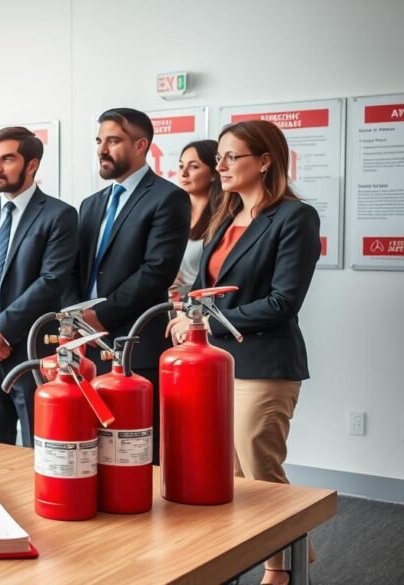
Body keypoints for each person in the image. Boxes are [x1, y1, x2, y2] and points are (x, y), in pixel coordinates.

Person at [168, 120, 320, 585]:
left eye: (233, 157)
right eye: (221, 158)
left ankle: (283, 568)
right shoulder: (225, 215)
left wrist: (205, 321)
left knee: (258, 466)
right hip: (214, 364)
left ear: (266, 161)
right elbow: (204, 286)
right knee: (225, 472)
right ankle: (256, 555)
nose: (222, 166)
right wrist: (184, 306)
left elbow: (282, 301)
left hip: (265, 363)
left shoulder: (294, 216)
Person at [74, 107, 190, 464]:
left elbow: (156, 270)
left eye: (113, 140)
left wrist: (101, 316)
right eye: (99, 141)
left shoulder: (168, 198)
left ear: (141, 145)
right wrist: (78, 319)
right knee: (88, 441)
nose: (101, 149)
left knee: (135, 451)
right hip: (85, 341)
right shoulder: (91, 204)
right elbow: (75, 270)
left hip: (135, 341)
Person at [0, 126, 79, 447]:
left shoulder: (59, 215)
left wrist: (2, 330)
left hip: (31, 352)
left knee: (41, 449)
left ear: (32, 165)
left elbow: (52, 282)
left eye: (7, 159)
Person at [172, 139, 222, 296]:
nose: (184, 173)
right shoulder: (172, 213)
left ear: (214, 173)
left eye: (194, 167)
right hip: (167, 304)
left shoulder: (222, 218)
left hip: (201, 307)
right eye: (181, 166)